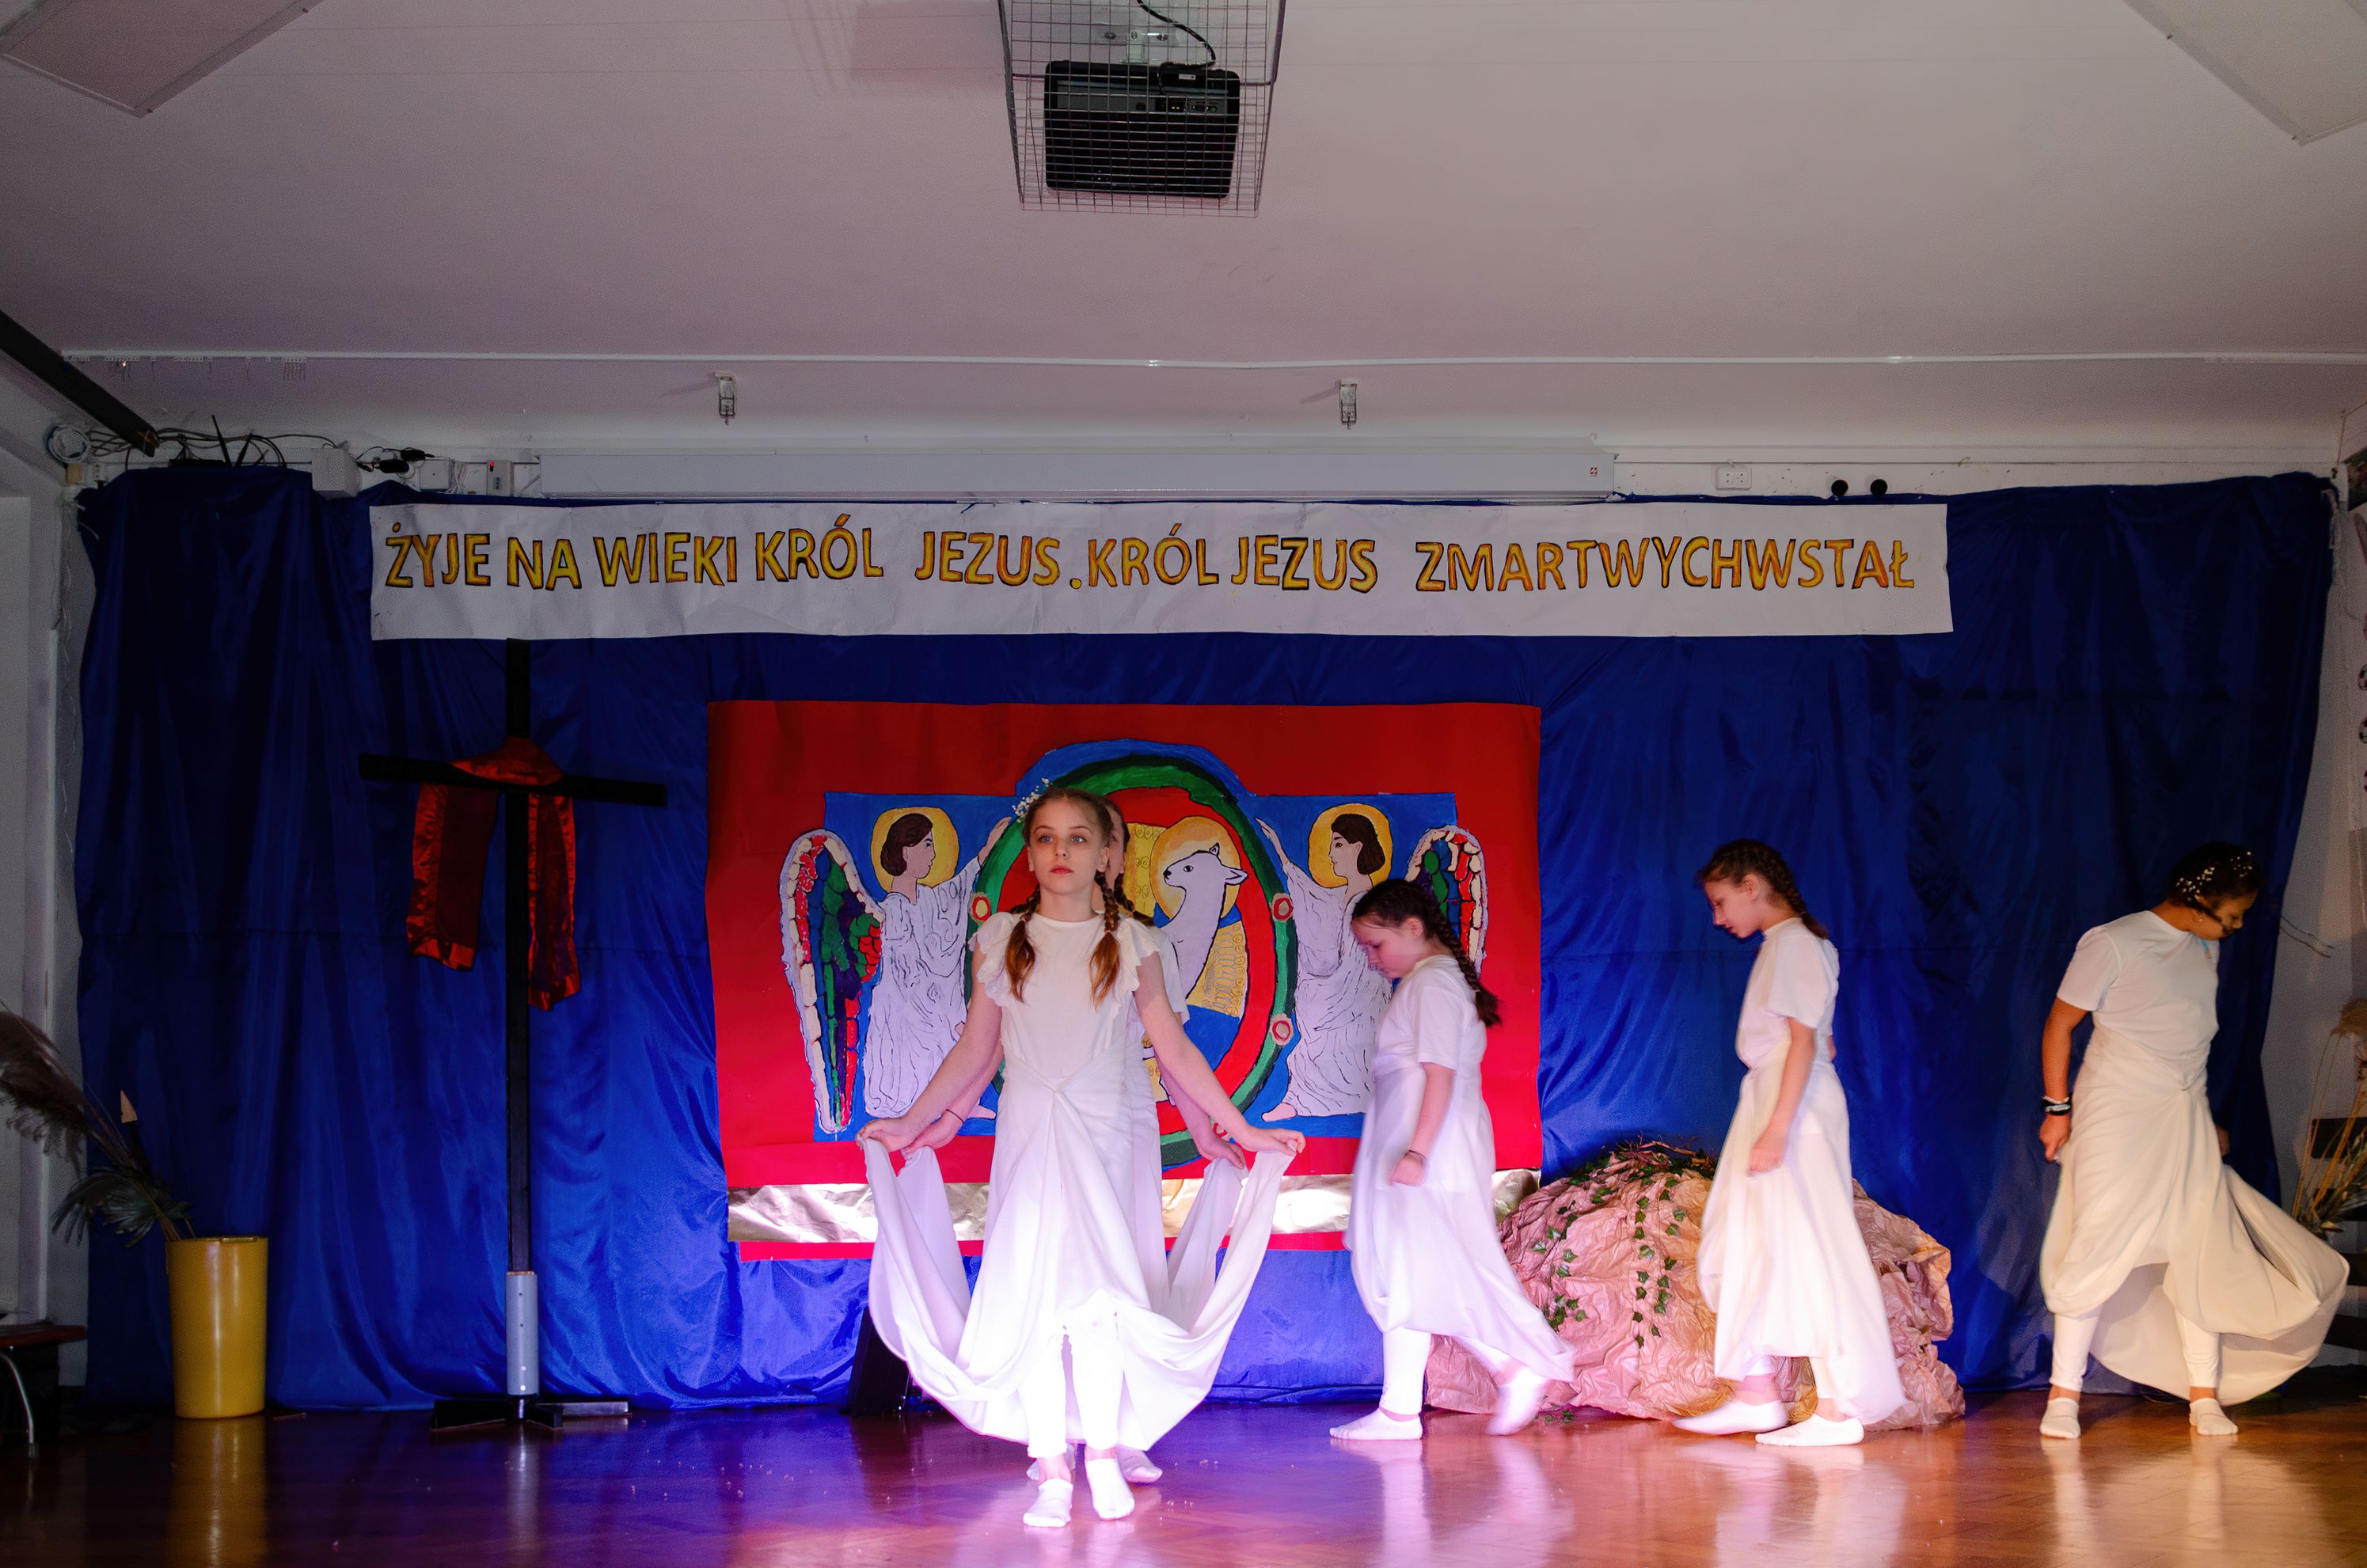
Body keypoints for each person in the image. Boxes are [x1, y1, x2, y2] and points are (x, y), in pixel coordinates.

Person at [858, 788, 1304, 1528]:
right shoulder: (1002, 937)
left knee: (1100, 1299)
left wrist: (1239, 1128)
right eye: (1045, 838)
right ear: (1031, 853)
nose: (1059, 851)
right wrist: (919, 1120)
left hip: (1103, 1133)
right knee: (1036, 1294)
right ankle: (1053, 1466)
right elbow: (978, 1046)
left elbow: (1173, 1048)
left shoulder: (1133, 943)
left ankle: (1101, 1451)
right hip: (1033, 1132)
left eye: (1076, 838)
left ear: (1105, 855)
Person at [2036, 843, 2346, 1440]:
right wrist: (2057, 1108)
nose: (2236, 928)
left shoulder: (2205, 948)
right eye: (2231, 916)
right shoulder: (2114, 942)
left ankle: (2205, 1395)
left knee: (2199, 1248)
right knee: (2099, 1242)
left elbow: (2187, 1046)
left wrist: (2201, 1118)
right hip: (2118, 1116)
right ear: (2199, 898)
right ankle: (2063, 1396)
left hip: (2181, 1118)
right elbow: (2059, 1024)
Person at [1328, 878, 1575, 1441]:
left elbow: (1439, 1075)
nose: (1372, 959)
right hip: (1420, 1148)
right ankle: (1405, 1408)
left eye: (1376, 945)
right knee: (1412, 1272)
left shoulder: (1434, 984)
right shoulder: (1428, 982)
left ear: (1413, 929)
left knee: (1417, 1270)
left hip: (1428, 1151)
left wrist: (1418, 1152)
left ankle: (1509, 1369)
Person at [1675, 840, 1903, 1447]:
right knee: (1743, 1239)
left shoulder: (1797, 943)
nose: (1719, 917)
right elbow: (1818, 1040)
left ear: (1751, 885)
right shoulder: (1792, 945)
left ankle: (1838, 1407)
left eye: (1721, 901)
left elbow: (1805, 1044)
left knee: (1809, 1244)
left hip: (1790, 1107)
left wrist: (1778, 1127)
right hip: (1778, 1096)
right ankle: (1757, 1393)